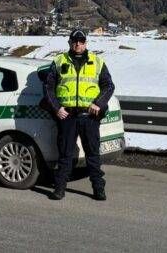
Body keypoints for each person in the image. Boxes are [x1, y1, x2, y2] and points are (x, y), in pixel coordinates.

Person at [44, 28, 115, 200]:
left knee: (92, 154)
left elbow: (109, 86)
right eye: (75, 41)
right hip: (67, 116)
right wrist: (57, 108)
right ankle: (59, 189)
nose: (78, 44)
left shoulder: (97, 61)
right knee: (65, 155)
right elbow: (48, 88)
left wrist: (98, 103)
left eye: (81, 41)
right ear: (69, 42)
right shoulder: (59, 61)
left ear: (85, 43)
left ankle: (98, 189)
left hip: (89, 116)